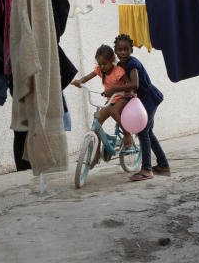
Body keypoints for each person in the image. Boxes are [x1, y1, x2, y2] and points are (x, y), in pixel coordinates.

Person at [107, 34, 168, 182]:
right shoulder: (120, 66)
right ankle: (163, 164)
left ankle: (146, 169)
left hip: (149, 100)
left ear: (131, 51)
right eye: (120, 50)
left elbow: (135, 84)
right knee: (148, 132)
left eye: (126, 49)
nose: (123, 52)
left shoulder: (132, 64)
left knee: (143, 133)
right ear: (115, 51)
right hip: (143, 101)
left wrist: (113, 91)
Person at [72, 45, 135, 162]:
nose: (102, 67)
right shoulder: (100, 70)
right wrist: (80, 82)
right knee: (96, 123)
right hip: (110, 100)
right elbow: (88, 77)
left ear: (112, 60)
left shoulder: (118, 72)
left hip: (122, 97)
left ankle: (127, 135)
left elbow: (129, 84)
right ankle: (96, 155)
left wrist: (128, 93)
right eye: (99, 64)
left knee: (113, 111)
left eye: (105, 63)